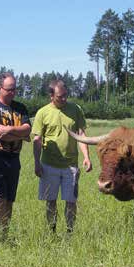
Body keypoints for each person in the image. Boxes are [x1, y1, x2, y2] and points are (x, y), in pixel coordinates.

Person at [32, 79, 92, 233]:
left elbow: (81, 134)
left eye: (65, 95)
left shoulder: (75, 109)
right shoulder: (42, 113)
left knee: (71, 201)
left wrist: (86, 156)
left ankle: (69, 232)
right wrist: (37, 163)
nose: (64, 99)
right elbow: (37, 139)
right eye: (60, 97)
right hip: (49, 165)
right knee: (50, 201)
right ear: (51, 96)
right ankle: (51, 232)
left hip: (70, 165)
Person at [0, 72, 31, 236]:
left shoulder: (20, 108)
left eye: (14, 89)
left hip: (14, 158)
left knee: (10, 198)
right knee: (0, 197)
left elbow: (28, 129)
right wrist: (21, 135)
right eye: (9, 89)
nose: (12, 92)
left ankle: (5, 232)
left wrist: (10, 129)